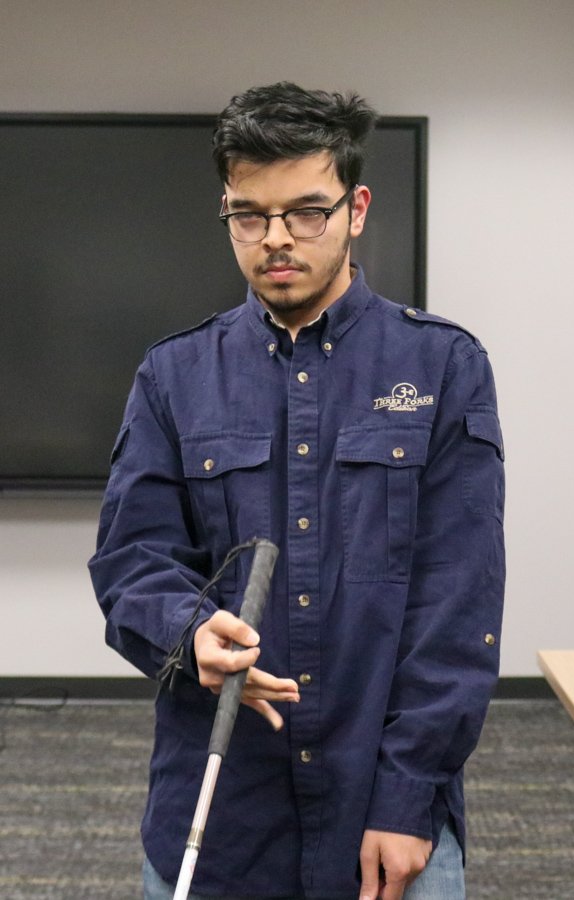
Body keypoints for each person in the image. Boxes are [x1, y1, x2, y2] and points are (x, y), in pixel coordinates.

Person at [89, 82, 505, 900]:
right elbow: (131, 563)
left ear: (356, 208)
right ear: (227, 210)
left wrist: (407, 794)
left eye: (306, 212)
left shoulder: (444, 368)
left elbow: (456, 608)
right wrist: (189, 630)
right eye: (250, 215)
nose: (276, 240)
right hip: (220, 815)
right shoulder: (173, 376)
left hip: (380, 810)